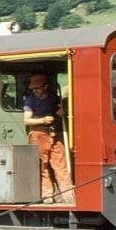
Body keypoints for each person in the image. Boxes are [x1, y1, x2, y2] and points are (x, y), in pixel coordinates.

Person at [23, 73, 75, 205]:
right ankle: (47, 195)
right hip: (38, 134)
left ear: (45, 86)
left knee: (60, 163)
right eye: (33, 89)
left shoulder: (54, 98)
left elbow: (61, 109)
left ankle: (68, 194)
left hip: (54, 134)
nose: (35, 91)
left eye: (37, 88)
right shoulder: (30, 101)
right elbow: (26, 120)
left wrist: (61, 111)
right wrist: (43, 120)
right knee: (42, 165)